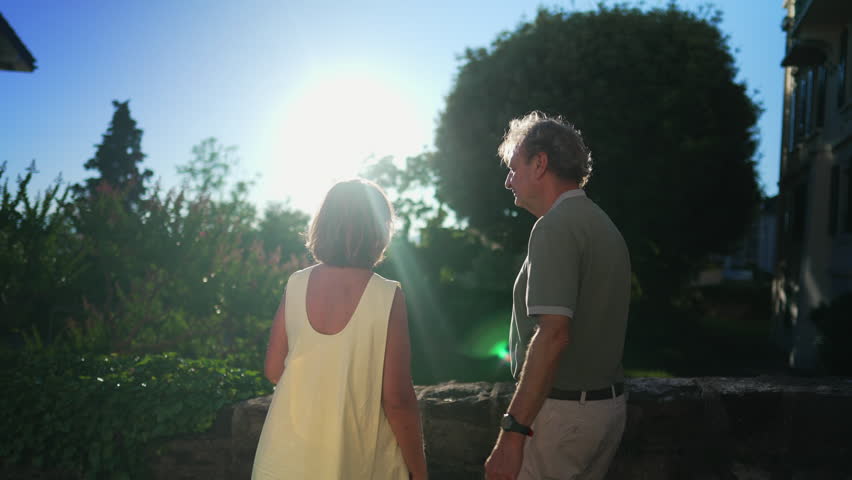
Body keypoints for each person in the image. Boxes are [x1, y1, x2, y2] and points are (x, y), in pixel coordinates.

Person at [485, 111, 631, 480]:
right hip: (606, 410)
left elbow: (553, 335)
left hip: (560, 420)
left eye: (514, 167)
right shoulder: (603, 224)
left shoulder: (553, 228)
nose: (508, 181)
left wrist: (512, 434)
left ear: (540, 164)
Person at [252, 179, 428, 480]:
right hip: (357, 461)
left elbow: (273, 369)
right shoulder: (387, 296)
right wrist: (420, 471)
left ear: (323, 225)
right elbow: (397, 399)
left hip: (283, 459)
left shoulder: (296, 283)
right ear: (379, 229)